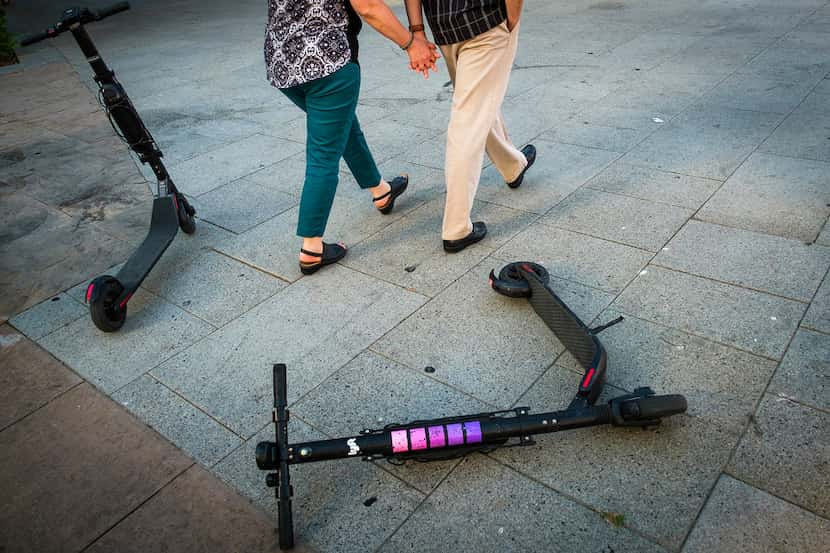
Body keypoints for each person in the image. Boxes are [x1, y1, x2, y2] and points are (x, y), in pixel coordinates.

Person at [265, 0, 440, 274]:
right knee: (323, 155)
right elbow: (369, 5)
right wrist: (411, 43)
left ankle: (380, 191)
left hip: (283, 63)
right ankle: (312, 247)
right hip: (327, 64)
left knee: (341, 126)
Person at [404, 0, 536, 253]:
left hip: (444, 26)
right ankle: (456, 229)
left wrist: (418, 30)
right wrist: (511, 19)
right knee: (468, 121)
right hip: (486, 19)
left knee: (476, 104)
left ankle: (512, 165)